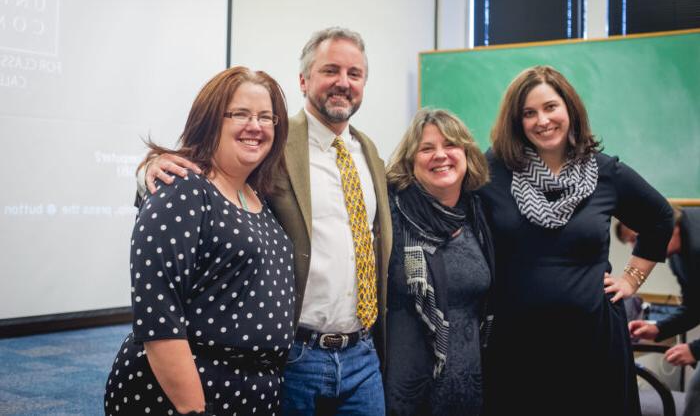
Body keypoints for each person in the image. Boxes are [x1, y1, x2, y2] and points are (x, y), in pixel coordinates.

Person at [141, 27, 392, 415]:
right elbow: (206, 173)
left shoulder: (369, 151)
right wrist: (150, 171)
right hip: (295, 354)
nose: (343, 83)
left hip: (362, 353)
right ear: (304, 80)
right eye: (331, 70)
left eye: (354, 74)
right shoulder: (274, 144)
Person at [478, 65, 675, 416]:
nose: (542, 120)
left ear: (569, 108)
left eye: (550, 107)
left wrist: (631, 280)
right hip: (518, 346)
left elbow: (660, 217)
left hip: (595, 343)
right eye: (529, 113)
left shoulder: (605, 172)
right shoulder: (494, 170)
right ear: (516, 121)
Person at [104, 66, 294, 416]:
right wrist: (194, 409)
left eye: (266, 117)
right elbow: (159, 318)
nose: (256, 126)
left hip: (254, 393)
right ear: (210, 120)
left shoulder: (259, 197)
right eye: (240, 114)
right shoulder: (184, 190)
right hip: (185, 396)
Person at [383, 108, 495, 415]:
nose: (440, 155)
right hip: (404, 386)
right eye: (427, 148)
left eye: (450, 146)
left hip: (469, 383)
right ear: (411, 160)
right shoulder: (390, 215)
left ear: (466, 154)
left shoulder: (479, 213)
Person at [620, 206, 700, 416]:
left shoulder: (697, 242)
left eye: (636, 239)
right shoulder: (679, 255)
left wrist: (695, 350)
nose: (636, 249)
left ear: (666, 226)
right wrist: (658, 329)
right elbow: (694, 308)